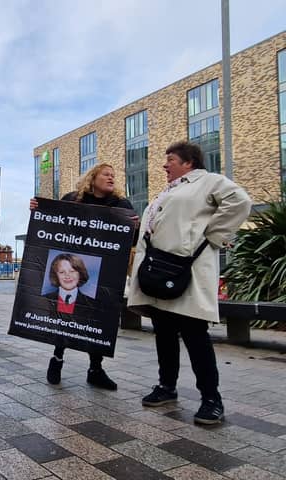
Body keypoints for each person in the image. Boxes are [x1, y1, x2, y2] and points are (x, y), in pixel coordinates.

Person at [128, 141, 251, 425]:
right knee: (164, 334)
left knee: (196, 338)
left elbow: (241, 201)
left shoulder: (208, 181)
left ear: (189, 162)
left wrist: (213, 235)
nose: (164, 165)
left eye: (170, 159)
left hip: (188, 271)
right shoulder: (169, 191)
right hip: (159, 272)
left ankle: (211, 398)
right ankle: (167, 386)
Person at [30, 162, 139, 390]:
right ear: (93, 178)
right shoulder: (73, 199)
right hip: (73, 267)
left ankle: (95, 369)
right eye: (106, 175)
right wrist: (37, 209)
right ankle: (57, 359)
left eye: (113, 175)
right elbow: (52, 220)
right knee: (65, 315)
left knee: (98, 319)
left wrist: (134, 226)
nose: (111, 178)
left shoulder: (121, 204)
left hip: (105, 272)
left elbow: (132, 238)